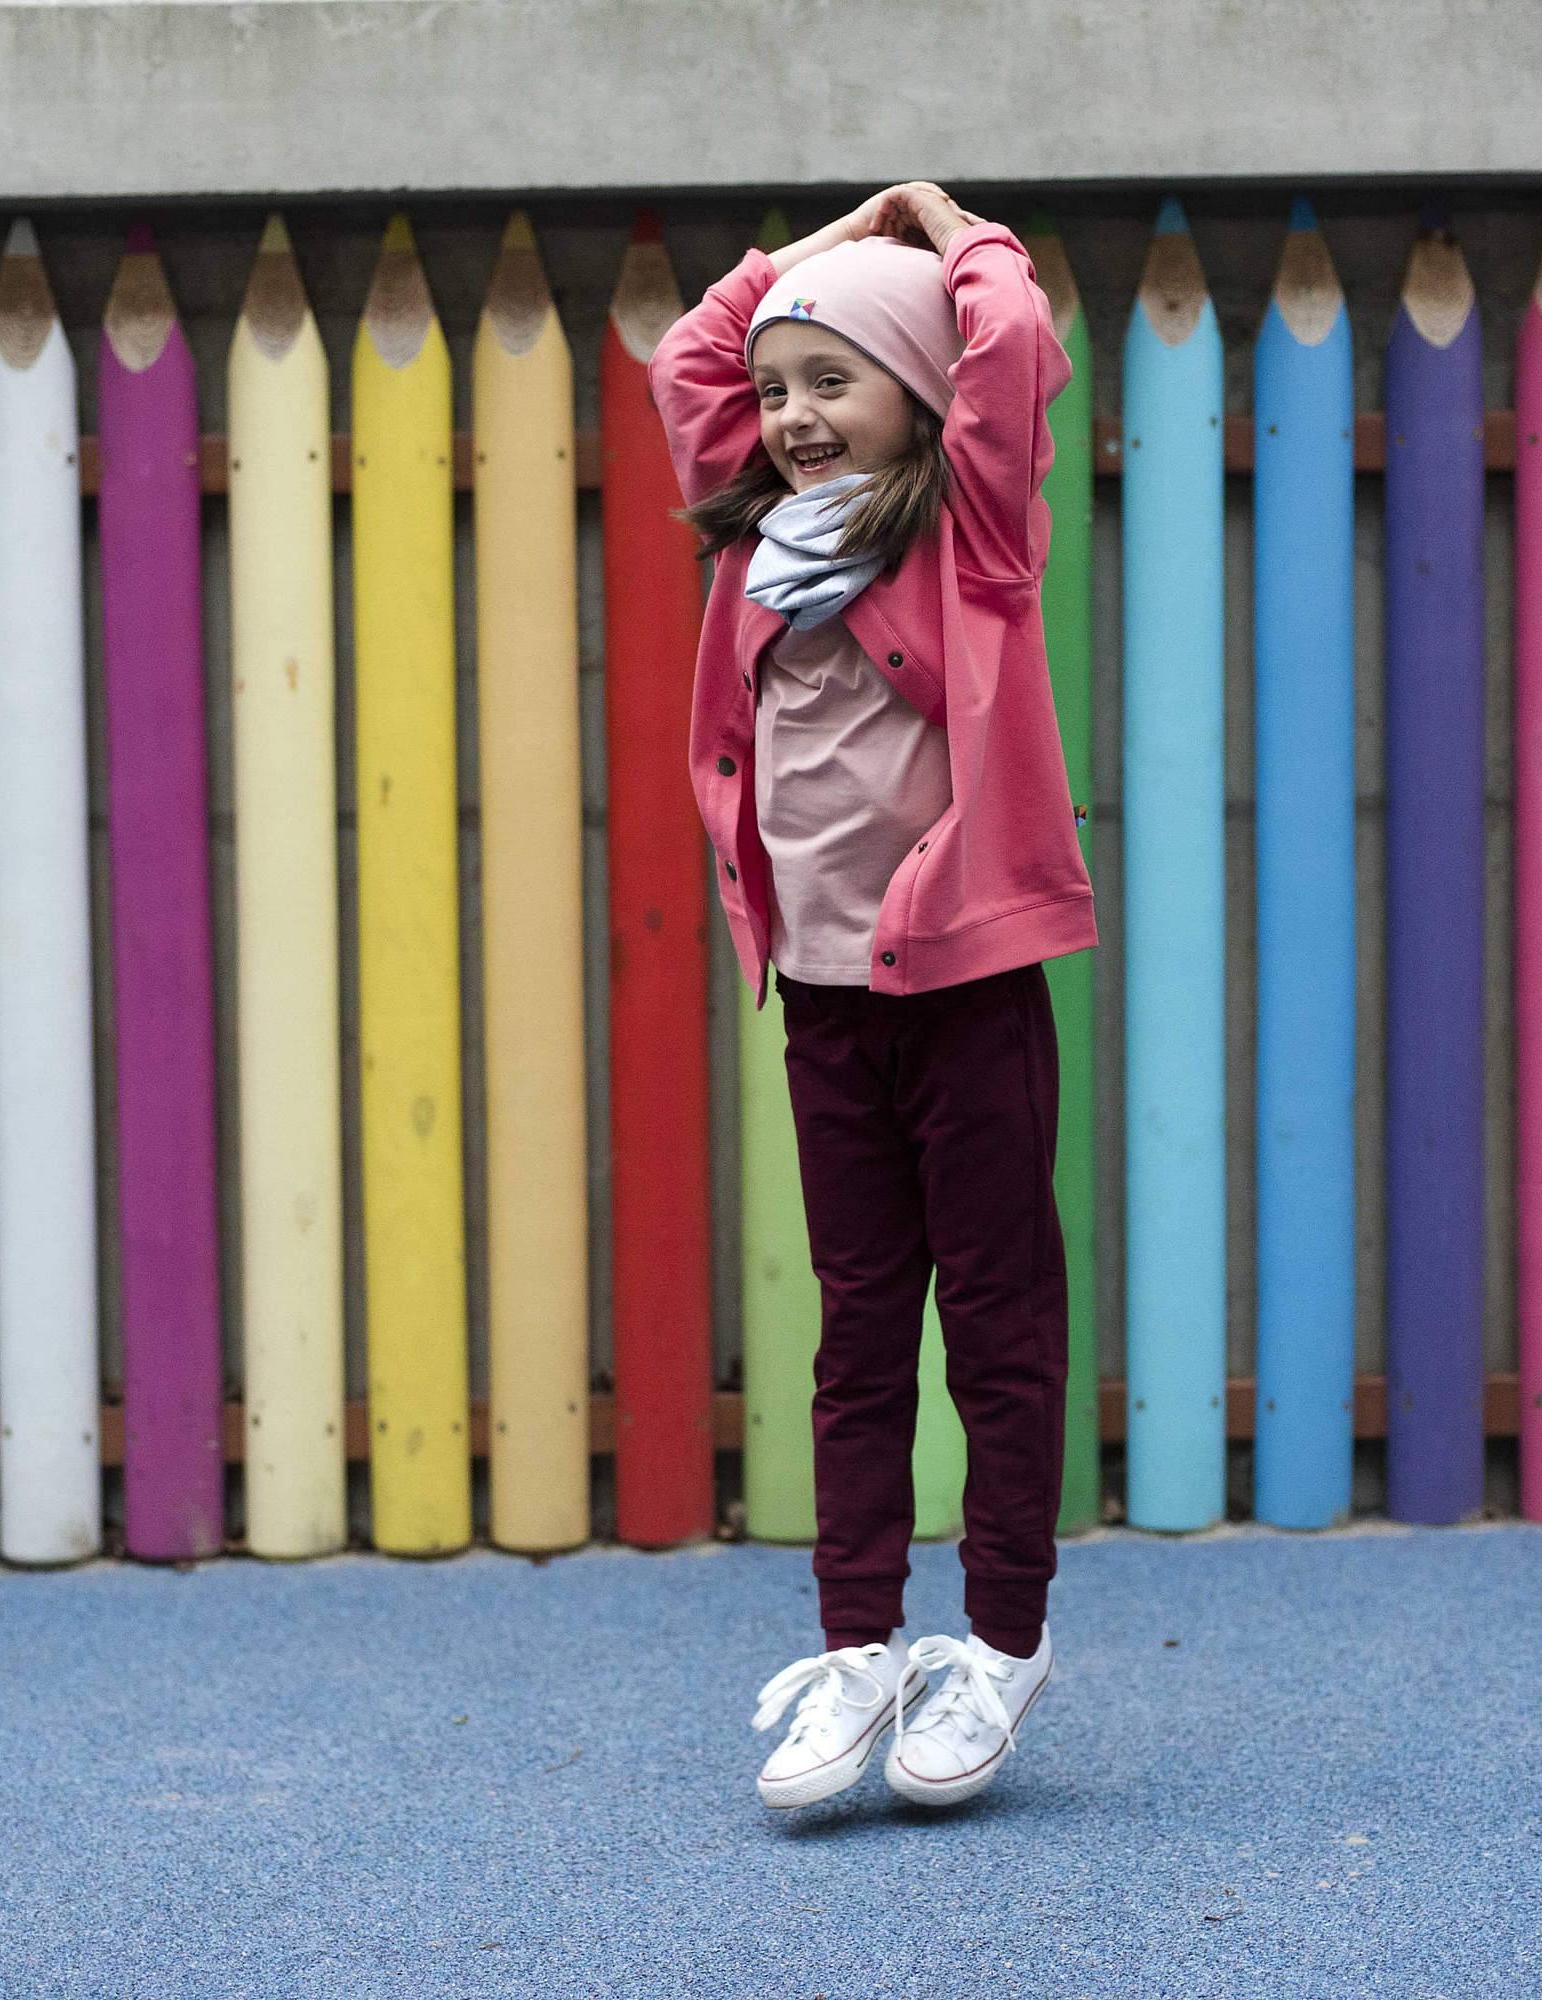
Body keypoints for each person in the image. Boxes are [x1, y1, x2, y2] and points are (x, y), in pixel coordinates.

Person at [647, 182, 1096, 1810]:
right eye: (779, 394)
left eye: (835, 380)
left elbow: (1017, 335)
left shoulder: (972, 526)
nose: (792, 415)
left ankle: (1002, 1640)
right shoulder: (766, 541)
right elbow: (687, 359)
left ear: (922, 392)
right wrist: (806, 253)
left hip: (964, 990)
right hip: (827, 1004)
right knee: (856, 1337)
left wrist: (940, 227)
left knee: (994, 1327)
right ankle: (858, 1646)